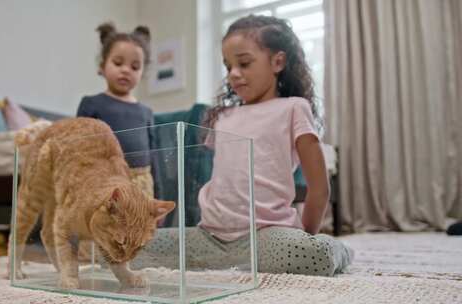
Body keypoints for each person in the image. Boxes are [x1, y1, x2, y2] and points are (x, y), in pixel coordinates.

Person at [132, 15, 353, 276]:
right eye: (228, 67)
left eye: (244, 63)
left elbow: (319, 188)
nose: (234, 74)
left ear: (277, 61)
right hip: (209, 236)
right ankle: (228, 262)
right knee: (130, 248)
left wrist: (304, 237)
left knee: (312, 257)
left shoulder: (293, 108)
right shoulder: (222, 117)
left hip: (265, 235)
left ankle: (337, 250)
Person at [77, 22, 154, 198]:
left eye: (135, 67)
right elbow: (79, 150)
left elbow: (154, 158)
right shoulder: (91, 104)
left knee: (139, 225)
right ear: (102, 65)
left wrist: (159, 197)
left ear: (143, 72)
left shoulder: (146, 112)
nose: (126, 70)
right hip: (105, 182)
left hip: (142, 185)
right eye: (118, 63)